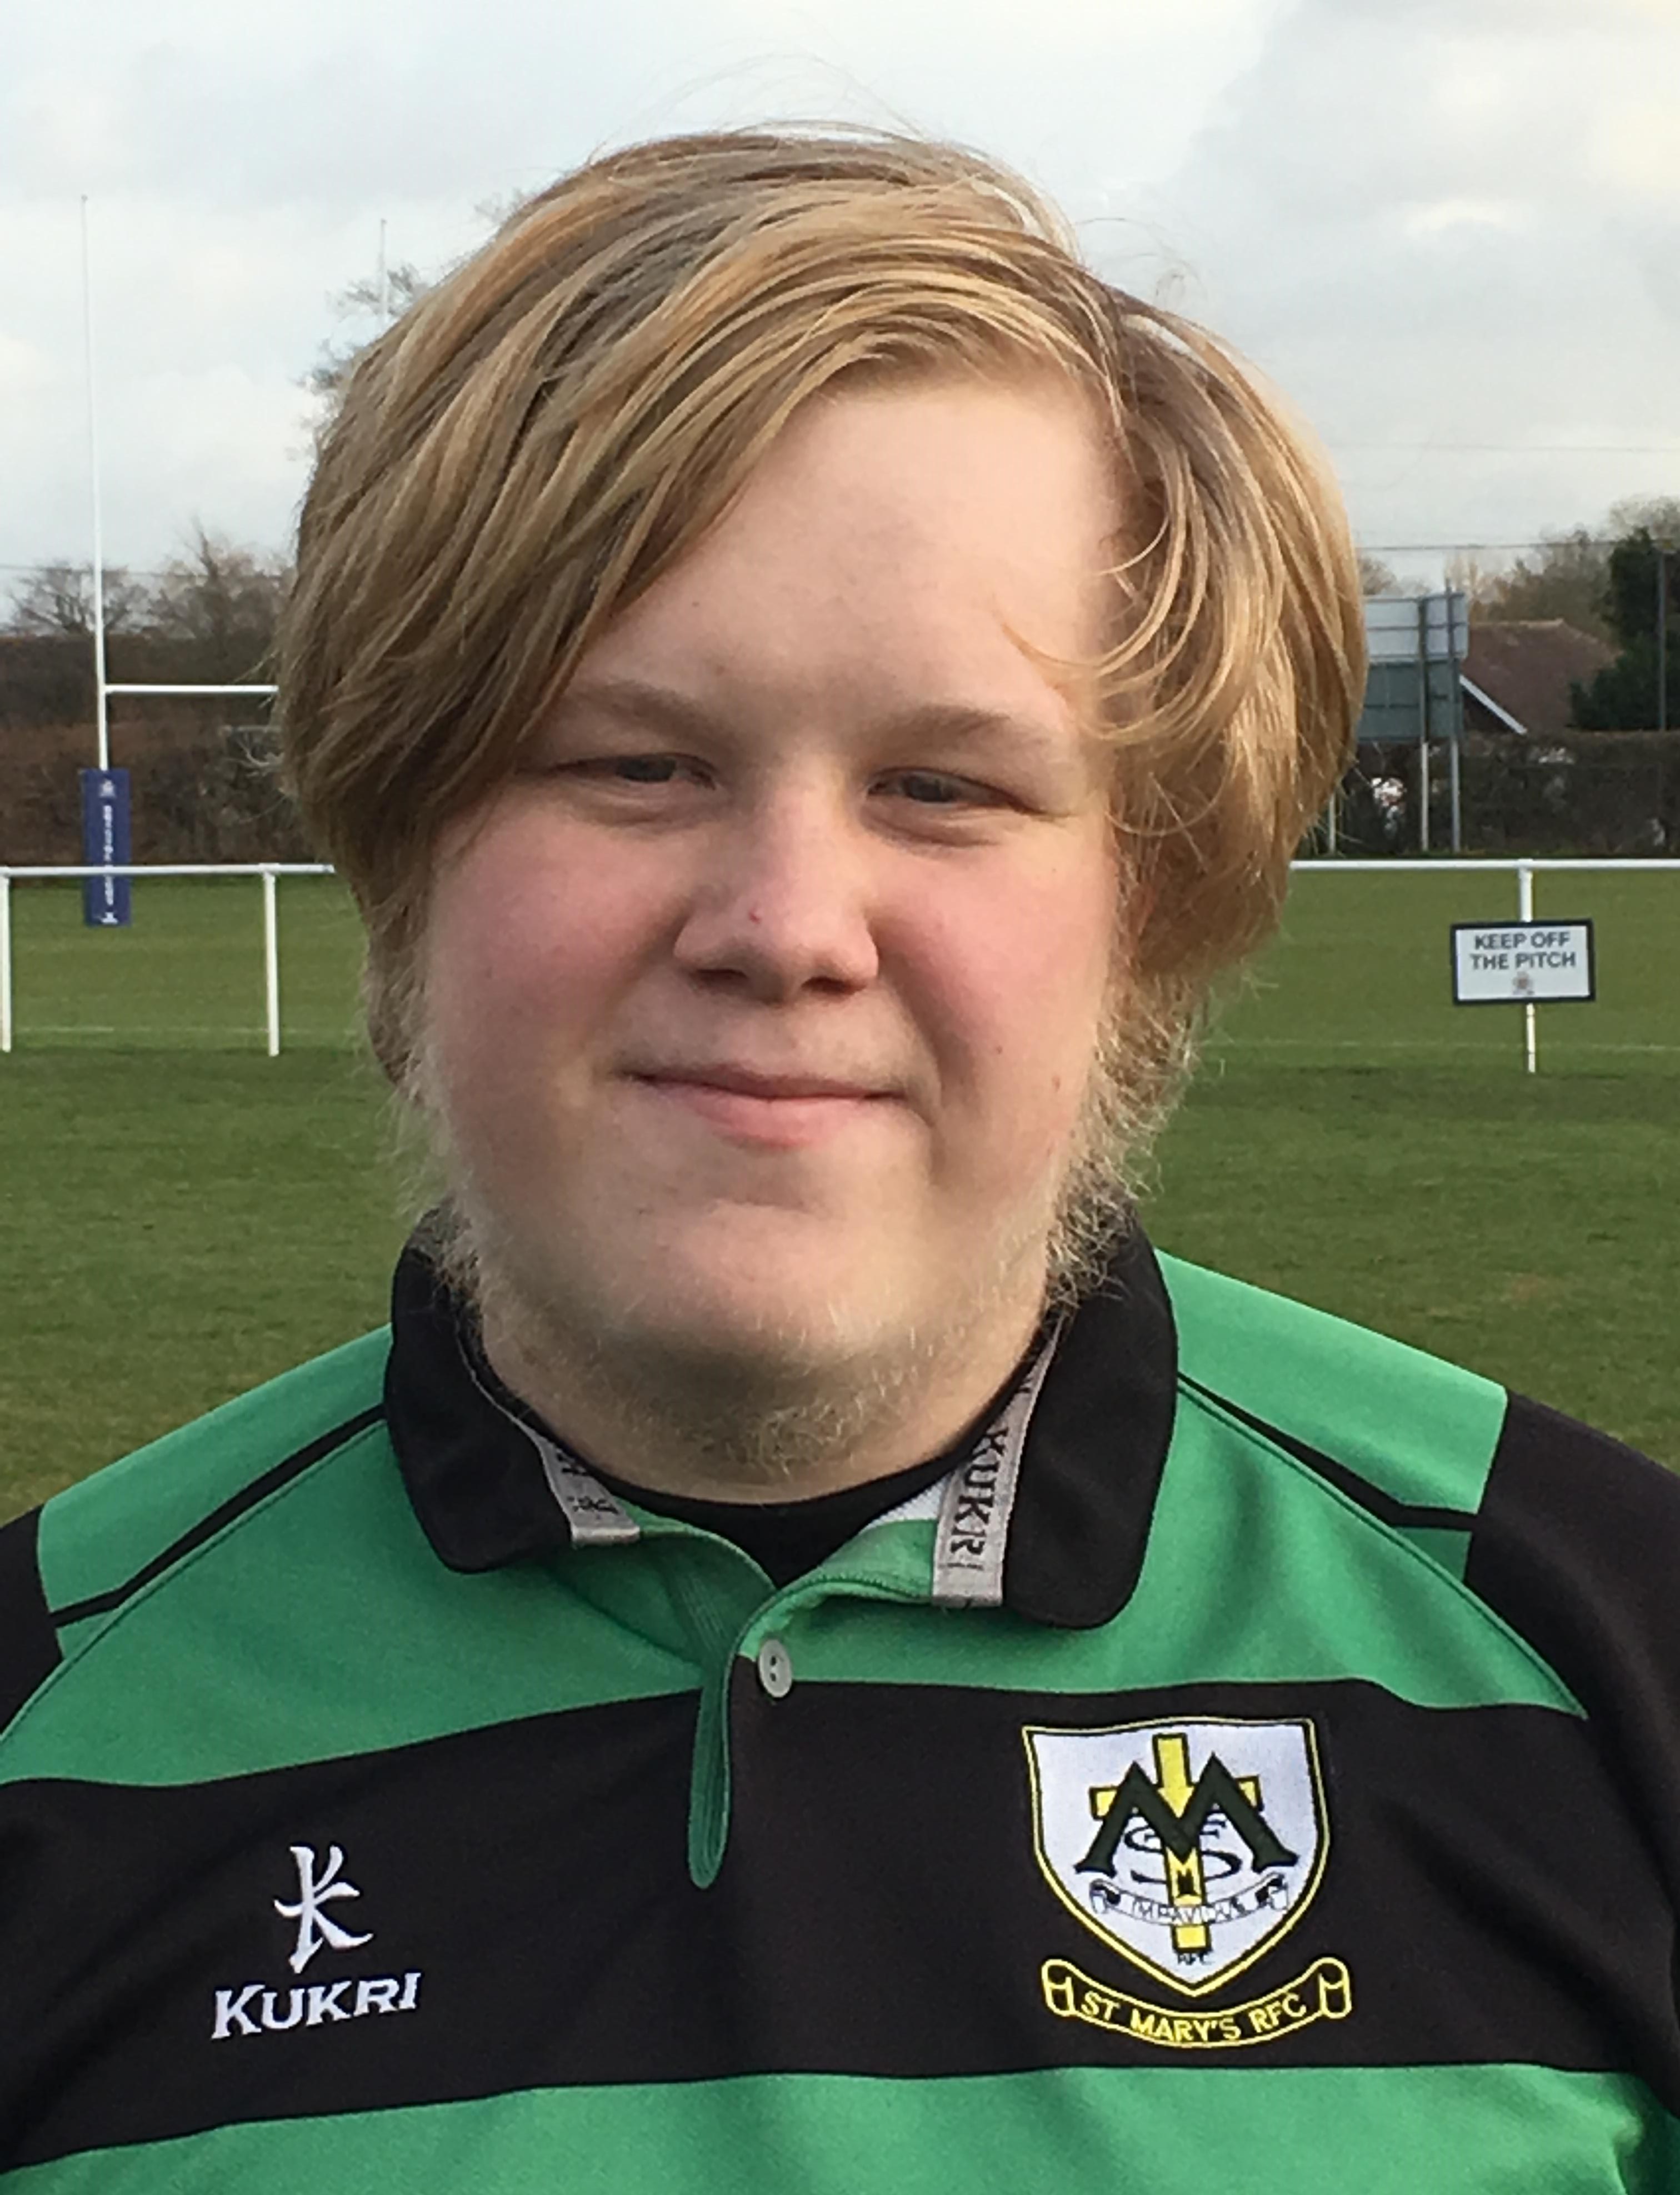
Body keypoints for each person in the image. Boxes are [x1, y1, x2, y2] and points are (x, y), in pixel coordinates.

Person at [1, 130, 1676, 2193]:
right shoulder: (44, 1733)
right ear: (403, 848)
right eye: (636, 762)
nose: (787, 924)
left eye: (943, 785)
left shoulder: (1611, 1664)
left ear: (1144, 900)